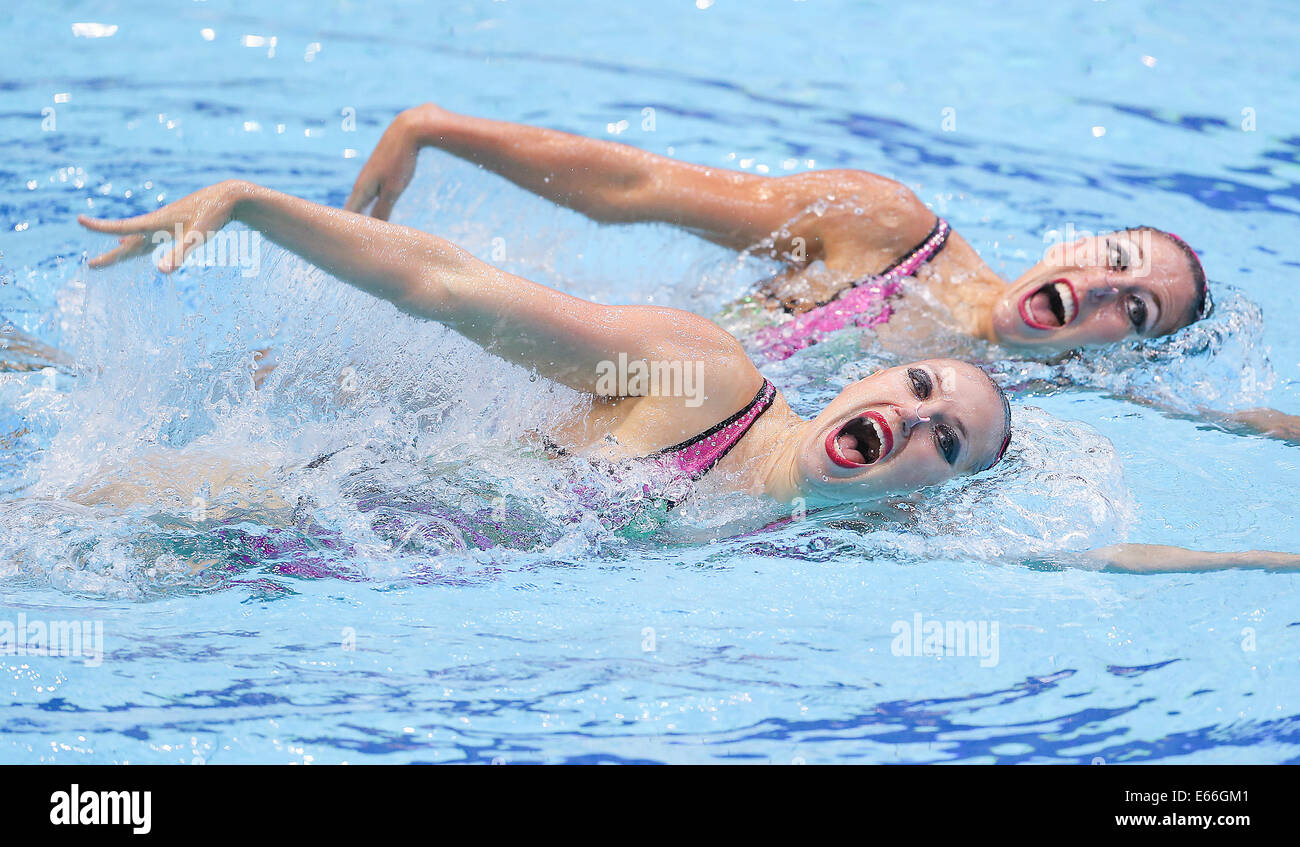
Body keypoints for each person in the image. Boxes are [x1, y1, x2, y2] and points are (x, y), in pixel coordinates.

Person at [70, 179, 1300, 574]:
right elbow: (453, 290)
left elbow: (1096, 563)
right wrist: (251, 205)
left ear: (932, 491)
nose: (917, 419)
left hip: (309, 574)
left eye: (949, 439)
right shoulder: (704, 379)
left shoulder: (839, 541)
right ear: (870, 386)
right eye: (923, 390)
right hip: (248, 500)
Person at [342, 103, 1300, 440]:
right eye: (1116, 263)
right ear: (1076, 244)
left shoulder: (975, 416)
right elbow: (640, 186)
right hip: (576, 376)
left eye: (1134, 313)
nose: (1102, 292)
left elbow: (1215, 419)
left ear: (1113, 354)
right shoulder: (884, 227)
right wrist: (438, 128)